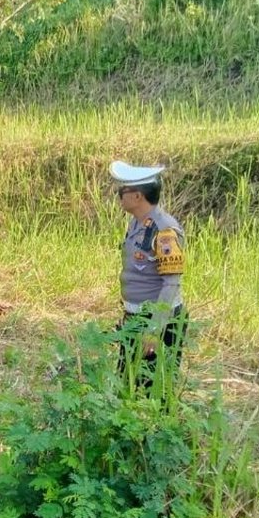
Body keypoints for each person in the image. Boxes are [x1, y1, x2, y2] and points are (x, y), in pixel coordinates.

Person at [112, 161, 187, 388]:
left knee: (154, 390)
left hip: (157, 320)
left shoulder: (164, 230)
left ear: (137, 196)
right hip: (136, 318)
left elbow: (171, 283)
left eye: (121, 191)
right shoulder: (138, 224)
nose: (118, 197)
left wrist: (155, 329)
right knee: (128, 384)